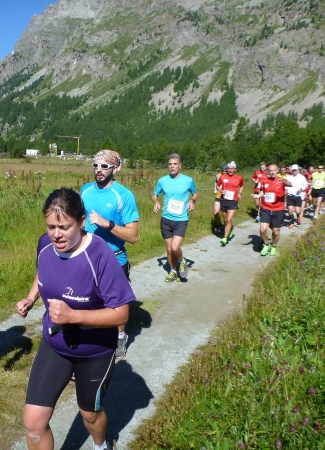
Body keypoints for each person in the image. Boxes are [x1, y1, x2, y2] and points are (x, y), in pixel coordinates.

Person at [16, 188, 135, 450]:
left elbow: (121, 313)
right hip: (55, 344)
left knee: (90, 414)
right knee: (33, 423)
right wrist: (31, 297)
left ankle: (101, 445)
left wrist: (73, 315)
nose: (56, 234)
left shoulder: (100, 254)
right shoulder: (45, 245)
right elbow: (43, 271)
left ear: (81, 222)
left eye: (64, 227)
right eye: (51, 226)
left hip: (94, 351)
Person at [81, 149, 139, 360]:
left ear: (116, 168)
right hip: (88, 256)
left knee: (117, 302)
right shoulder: (85, 190)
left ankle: (120, 337)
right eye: (95, 165)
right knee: (87, 298)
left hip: (115, 257)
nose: (99, 170)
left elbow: (133, 236)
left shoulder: (124, 196)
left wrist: (107, 224)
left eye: (104, 166)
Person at [152, 154, 198, 283]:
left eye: (175, 164)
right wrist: (156, 202)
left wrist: (192, 201)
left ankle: (182, 261)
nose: (172, 166)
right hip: (166, 219)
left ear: (180, 166)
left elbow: (195, 193)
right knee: (169, 249)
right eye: (170, 164)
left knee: (174, 248)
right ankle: (173, 271)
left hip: (181, 219)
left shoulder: (188, 180)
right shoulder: (162, 180)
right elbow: (155, 194)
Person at [256, 164, 292, 256]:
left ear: (277, 170)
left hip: (278, 209)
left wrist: (285, 182)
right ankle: (266, 244)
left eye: (274, 170)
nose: (272, 172)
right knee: (263, 229)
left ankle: (274, 246)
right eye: (270, 170)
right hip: (266, 208)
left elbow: (290, 185)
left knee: (276, 231)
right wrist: (258, 195)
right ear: (268, 171)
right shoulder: (264, 181)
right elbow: (263, 191)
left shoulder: (281, 180)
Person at [215, 161, 244, 246]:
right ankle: (229, 231)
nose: (230, 170)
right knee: (225, 220)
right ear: (227, 169)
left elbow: (242, 186)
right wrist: (221, 191)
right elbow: (217, 185)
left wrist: (240, 193)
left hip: (233, 201)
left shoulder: (239, 178)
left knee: (229, 219)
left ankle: (225, 238)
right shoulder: (223, 177)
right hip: (224, 200)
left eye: (232, 168)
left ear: (235, 169)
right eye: (229, 168)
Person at [285, 164, 308, 228]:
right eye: (293, 170)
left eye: (295, 170)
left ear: (298, 170)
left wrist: (301, 188)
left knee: (297, 211)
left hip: (298, 195)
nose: (294, 171)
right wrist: (286, 189)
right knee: (290, 210)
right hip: (290, 195)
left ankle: (298, 217)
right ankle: (292, 222)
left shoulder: (302, 177)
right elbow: (286, 184)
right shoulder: (289, 177)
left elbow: (306, 184)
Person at [212, 163, 227, 234]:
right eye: (223, 171)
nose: (224, 172)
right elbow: (216, 182)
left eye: (225, 171)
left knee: (225, 216)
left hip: (227, 198)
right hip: (218, 196)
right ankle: (219, 225)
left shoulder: (230, 177)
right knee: (215, 212)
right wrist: (215, 189)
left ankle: (227, 228)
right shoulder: (218, 175)